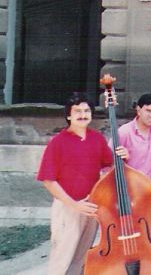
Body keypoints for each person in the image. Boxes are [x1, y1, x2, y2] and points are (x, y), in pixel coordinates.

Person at [37, 94, 129, 275]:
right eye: (77, 111)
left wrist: (123, 156)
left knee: (81, 259)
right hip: (68, 206)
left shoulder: (96, 139)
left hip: (91, 206)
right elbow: (48, 180)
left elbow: (112, 165)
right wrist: (74, 205)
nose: (82, 115)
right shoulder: (58, 142)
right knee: (62, 259)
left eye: (86, 111)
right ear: (69, 115)